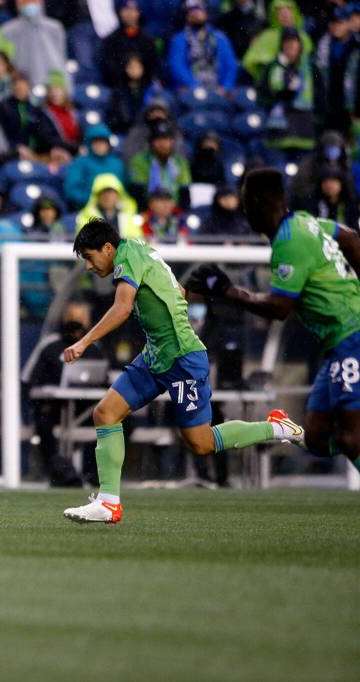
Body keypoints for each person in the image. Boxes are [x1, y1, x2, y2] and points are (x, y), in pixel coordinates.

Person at [60, 218, 304, 523]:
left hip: (182, 359)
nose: (88, 267)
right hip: (155, 355)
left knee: (200, 443)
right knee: (105, 413)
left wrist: (84, 341)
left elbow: (122, 309)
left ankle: (276, 427)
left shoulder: (128, 257)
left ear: (107, 248)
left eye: (89, 257)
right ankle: (109, 504)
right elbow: (179, 290)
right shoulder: (140, 250)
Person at [187, 168, 360, 474]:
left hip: (352, 335)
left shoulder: (289, 240)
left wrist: (228, 291)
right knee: (318, 437)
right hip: (337, 343)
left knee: (350, 436)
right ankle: (285, 429)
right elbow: (350, 237)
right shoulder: (307, 221)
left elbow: (280, 308)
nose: (244, 211)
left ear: (258, 203)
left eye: (245, 204)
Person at [23, 300, 105, 486]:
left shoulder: (94, 347)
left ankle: (94, 472)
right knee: (43, 421)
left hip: (85, 409)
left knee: (117, 418)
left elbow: (105, 379)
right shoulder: (50, 345)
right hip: (54, 410)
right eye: (73, 318)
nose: (76, 324)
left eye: (80, 319)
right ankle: (60, 471)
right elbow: (28, 379)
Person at [258, 27, 315, 153]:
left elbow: (319, 94)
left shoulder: (309, 68)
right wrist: (279, 96)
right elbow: (262, 94)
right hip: (279, 133)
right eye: (287, 42)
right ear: (282, 45)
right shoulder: (272, 67)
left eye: (294, 42)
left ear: (300, 45)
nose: (291, 46)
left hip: (304, 130)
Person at [0, 70, 65, 162]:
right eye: (16, 84)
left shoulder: (36, 111)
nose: (19, 88)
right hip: (12, 154)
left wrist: (61, 148)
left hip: (38, 154)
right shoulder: (1, 108)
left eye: (23, 85)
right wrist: (16, 148)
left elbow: (49, 135)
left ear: (29, 87)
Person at [167, 0, 238, 93]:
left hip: (219, 90)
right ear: (186, 15)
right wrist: (194, 86)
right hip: (190, 91)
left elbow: (231, 65)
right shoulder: (179, 39)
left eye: (199, 9)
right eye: (191, 10)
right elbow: (177, 67)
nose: (196, 13)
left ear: (206, 12)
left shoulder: (220, 38)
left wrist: (226, 87)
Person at [1, 0, 68, 89]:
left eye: (33, 2)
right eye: (25, 3)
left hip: (51, 81)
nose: (30, 5)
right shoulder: (8, 31)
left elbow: (61, 57)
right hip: (21, 82)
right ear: (18, 4)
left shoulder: (54, 28)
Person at [242, 0, 312, 83]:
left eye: (288, 12)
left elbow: (307, 60)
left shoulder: (303, 36)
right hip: (272, 83)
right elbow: (251, 61)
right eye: (281, 13)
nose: (285, 16)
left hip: (300, 82)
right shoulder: (266, 36)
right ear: (275, 15)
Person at [128, 120, 192, 208]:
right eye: (158, 139)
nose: (163, 144)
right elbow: (137, 194)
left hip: (175, 212)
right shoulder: (140, 161)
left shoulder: (180, 162)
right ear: (151, 142)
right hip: (147, 211)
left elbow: (184, 193)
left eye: (166, 139)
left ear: (172, 142)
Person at [98, 0, 158, 88]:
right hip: (118, 88)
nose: (130, 14)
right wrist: (126, 71)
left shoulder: (147, 40)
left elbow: (154, 65)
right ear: (120, 12)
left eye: (133, 9)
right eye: (126, 9)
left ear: (139, 12)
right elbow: (108, 68)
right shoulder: (111, 40)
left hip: (145, 88)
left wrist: (141, 73)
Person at [64, 123, 124, 209]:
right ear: (89, 144)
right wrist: (92, 201)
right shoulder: (80, 163)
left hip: (115, 209)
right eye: (96, 142)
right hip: (86, 209)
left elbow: (123, 189)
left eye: (103, 142)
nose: (100, 145)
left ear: (108, 144)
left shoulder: (117, 164)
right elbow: (72, 190)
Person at [75, 172, 141, 237]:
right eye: (104, 192)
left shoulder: (128, 216)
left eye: (112, 192)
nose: (108, 196)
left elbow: (138, 240)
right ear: (97, 196)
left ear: (118, 195)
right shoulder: (86, 218)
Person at [295, 169, 359, 228]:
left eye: (333, 182)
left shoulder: (349, 203)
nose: (329, 185)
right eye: (326, 182)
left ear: (341, 184)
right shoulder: (313, 201)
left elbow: (353, 227)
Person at [104, 54, 149, 135]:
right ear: (125, 69)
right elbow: (112, 116)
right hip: (124, 132)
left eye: (137, 67)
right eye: (131, 67)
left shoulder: (150, 90)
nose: (134, 70)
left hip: (146, 131)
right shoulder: (118, 92)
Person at [42, 70, 80, 152]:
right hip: (57, 152)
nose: (54, 93)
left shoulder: (73, 111)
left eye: (58, 89)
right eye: (51, 90)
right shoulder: (43, 113)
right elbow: (50, 140)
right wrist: (75, 148)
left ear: (64, 91)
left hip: (75, 150)